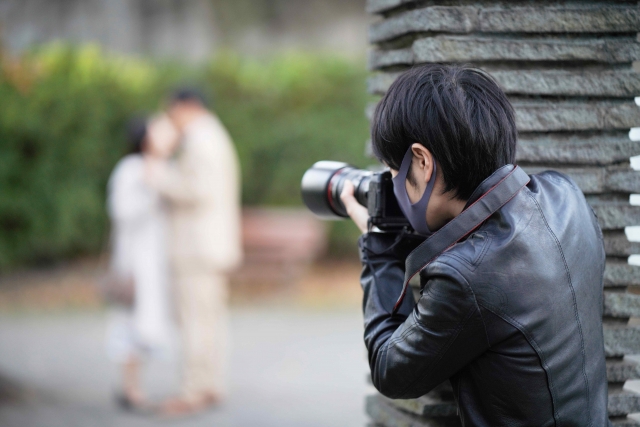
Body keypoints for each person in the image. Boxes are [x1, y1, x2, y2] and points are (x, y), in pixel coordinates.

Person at [340, 65, 610, 426]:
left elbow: (391, 371)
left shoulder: (466, 275)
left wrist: (378, 249)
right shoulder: (566, 194)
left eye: (394, 174)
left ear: (421, 162)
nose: (394, 189)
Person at [145, 89, 243, 416]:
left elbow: (194, 190)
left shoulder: (200, 140)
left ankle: (192, 392)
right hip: (210, 247)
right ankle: (210, 385)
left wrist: (157, 169)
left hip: (197, 248)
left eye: (172, 112)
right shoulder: (214, 135)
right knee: (210, 321)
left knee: (194, 323)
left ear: (186, 107)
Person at [105, 116, 176, 410]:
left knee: (145, 324)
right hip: (134, 262)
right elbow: (121, 211)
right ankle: (131, 388)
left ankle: (134, 387)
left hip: (154, 260)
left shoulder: (157, 168)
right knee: (131, 324)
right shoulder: (131, 170)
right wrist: (150, 193)